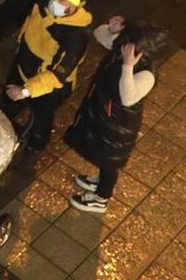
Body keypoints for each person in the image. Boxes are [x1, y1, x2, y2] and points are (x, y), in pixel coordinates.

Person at [66, 17, 165, 214]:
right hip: (106, 115)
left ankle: (102, 197)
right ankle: (102, 184)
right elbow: (99, 35)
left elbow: (128, 97)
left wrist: (127, 67)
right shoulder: (124, 49)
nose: (124, 45)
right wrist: (112, 30)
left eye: (129, 42)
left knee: (109, 160)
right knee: (104, 156)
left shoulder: (146, 73)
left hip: (118, 124)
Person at [2, 0, 94, 160]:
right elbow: (30, 21)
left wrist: (26, 91)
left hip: (49, 87)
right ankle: (1, 128)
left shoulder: (75, 36)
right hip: (22, 68)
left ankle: (35, 146)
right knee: (5, 105)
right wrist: (21, 46)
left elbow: (56, 75)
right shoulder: (45, 1)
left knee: (41, 119)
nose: (54, 1)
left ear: (73, 5)